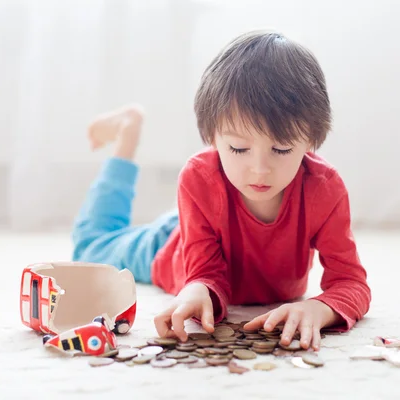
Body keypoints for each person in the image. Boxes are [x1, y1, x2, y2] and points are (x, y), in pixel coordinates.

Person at [72, 30, 371, 352]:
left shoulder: (324, 189)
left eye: (282, 149)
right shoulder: (198, 177)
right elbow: (203, 272)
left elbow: (351, 282)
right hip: (170, 245)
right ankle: (127, 135)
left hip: (211, 217)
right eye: (239, 148)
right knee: (90, 245)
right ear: (212, 137)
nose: (260, 169)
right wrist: (197, 288)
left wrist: (320, 308)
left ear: (311, 141)